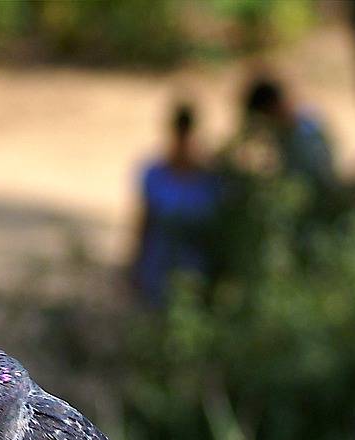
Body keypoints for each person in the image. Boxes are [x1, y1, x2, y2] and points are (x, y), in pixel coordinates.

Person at [131, 102, 221, 307]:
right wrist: (136, 267)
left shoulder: (209, 179)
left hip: (194, 271)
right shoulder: (154, 173)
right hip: (158, 267)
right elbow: (144, 221)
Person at [242, 76, 337, 192]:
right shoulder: (282, 132)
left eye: (264, 116)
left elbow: (320, 168)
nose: (266, 122)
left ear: (271, 106)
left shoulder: (306, 124)